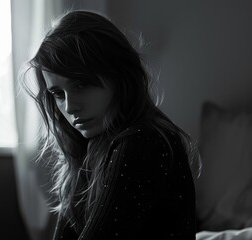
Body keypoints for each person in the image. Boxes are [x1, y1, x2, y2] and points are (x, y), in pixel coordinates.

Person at [20, 10, 201, 239]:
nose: (69, 106)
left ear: (119, 77)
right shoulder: (90, 147)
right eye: (58, 93)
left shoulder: (143, 142)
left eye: (81, 85)